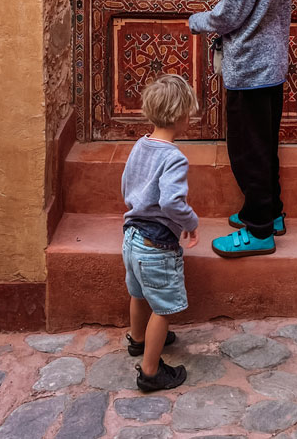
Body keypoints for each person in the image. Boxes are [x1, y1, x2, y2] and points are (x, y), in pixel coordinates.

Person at [190, 0, 294, 258]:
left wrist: (198, 20)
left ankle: (259, 231)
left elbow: (228, 17)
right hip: (272, 66)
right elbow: (255, 0)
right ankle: (270, 211)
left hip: (248, 68)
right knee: (265, 145)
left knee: (246, 151)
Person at [121, 73, 200, 391]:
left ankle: (138, 340)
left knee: (138, 293)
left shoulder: (140, 145)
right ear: (182, 116)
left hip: (131, 238)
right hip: (156, 246)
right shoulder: (174, 158)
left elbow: (126, 183)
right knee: (164, 308)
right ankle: (151, 371)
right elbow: (171, 201)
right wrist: (191, 223)